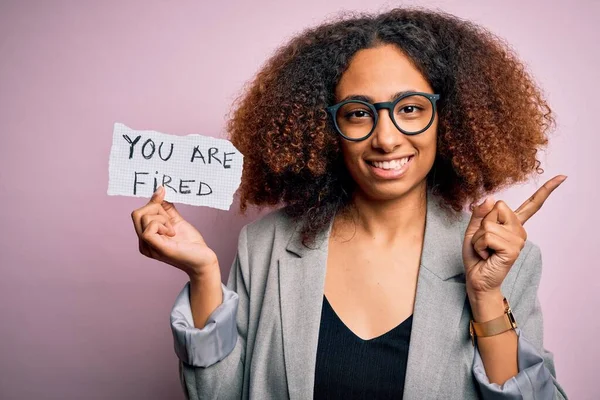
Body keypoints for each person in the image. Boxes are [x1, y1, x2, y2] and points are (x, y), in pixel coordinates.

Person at [131, 6, 569, 399]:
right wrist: (204, 274)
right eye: (359, 112)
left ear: (448, 118)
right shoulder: (264, 245)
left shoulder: (505, 259)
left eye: (411, 108)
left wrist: (487, 296)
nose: (386, 138)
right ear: (325, 129)